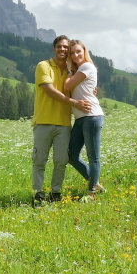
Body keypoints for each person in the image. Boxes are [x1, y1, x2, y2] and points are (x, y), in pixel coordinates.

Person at [32, 35, 91, 203]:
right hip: (43, 121)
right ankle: (38, 193)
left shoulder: (71, 70)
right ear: (54, 49)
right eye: (60, 47)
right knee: (39, 160)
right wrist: (74, 102)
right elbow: (49, 90)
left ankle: (55, 193)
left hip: (64, 124)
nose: (63, 50)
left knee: (61, 161)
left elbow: (81, 86)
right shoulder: (43, 66)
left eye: (66, 48)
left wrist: (91, 92)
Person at [63, 39, 105, 200]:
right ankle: (96, 184)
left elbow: (66, 87)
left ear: (84, 51)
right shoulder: (79, 70)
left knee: (93, 157)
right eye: (72, 53)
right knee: (71, 155)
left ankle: (91, 193)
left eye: (78, 51)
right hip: (81, 118)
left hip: (92, 116)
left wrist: (68, 70)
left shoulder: (86, 66)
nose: (75, 55)